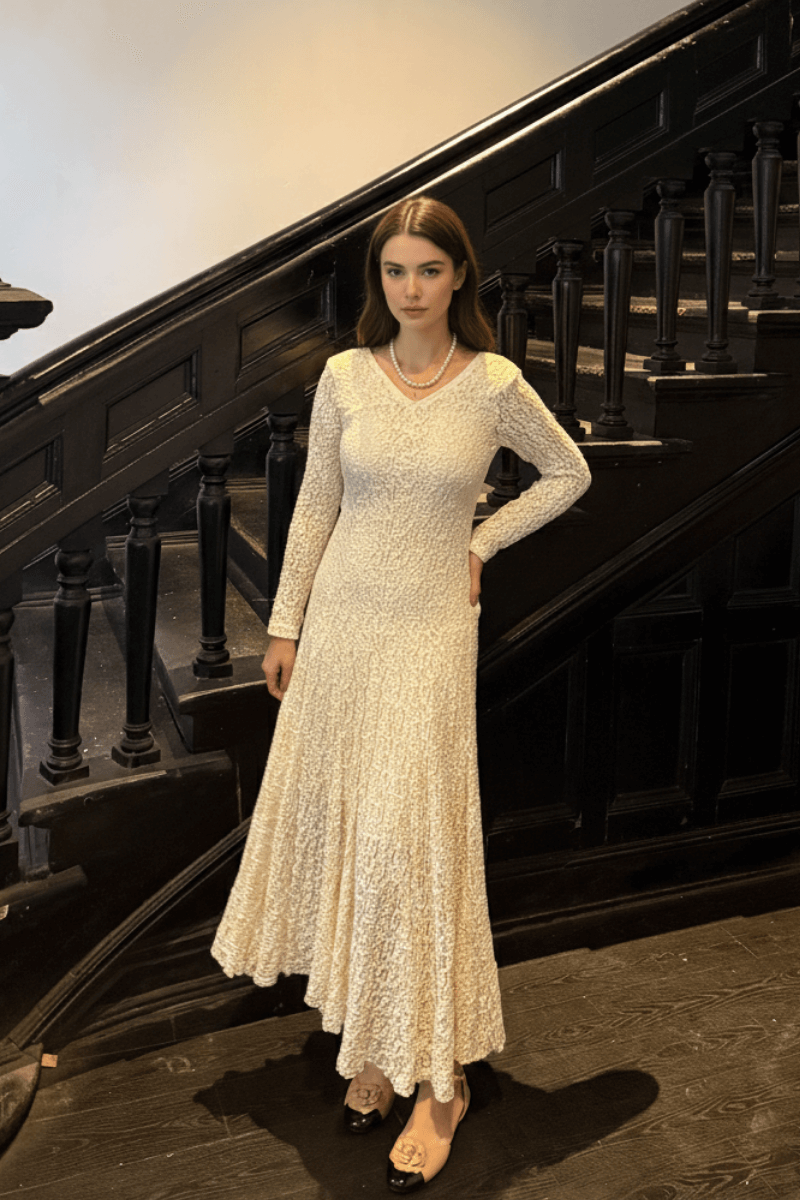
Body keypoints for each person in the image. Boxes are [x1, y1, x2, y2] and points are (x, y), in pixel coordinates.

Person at [211, 196, 591, 1192]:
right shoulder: (343, 377)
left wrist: (480, 540)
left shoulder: (493, 384)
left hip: (426, 635)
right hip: (341, 628)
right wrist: (285, 624)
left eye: (429, 270)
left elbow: (565, 472)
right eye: (394, 272)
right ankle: (373, 1047)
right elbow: (314, 509)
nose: (411, 289)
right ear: (376, 282)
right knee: (350, 837)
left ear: (458, 276)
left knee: (406, 845)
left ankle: (441, 1081)